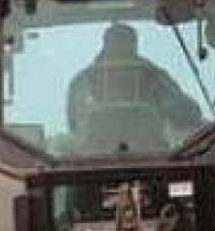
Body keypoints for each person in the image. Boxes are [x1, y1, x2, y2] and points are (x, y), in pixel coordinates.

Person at [65, 23, 203, 152]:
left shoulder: (155, 77)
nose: (121, 47)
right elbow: (75, 126)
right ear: (106, 45)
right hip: (92, 163)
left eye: (125, 42)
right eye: (118, 42)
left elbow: (189, 115)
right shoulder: (83, 83)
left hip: (155, 161)